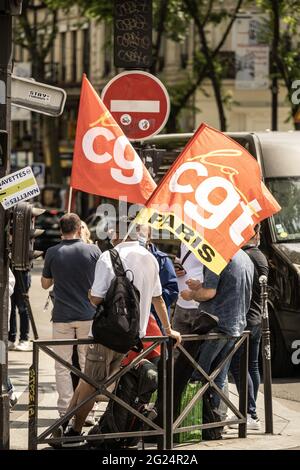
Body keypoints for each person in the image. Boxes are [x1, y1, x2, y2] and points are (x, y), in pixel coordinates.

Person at [56, 217, 181, 446]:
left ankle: (73, 432)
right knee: (96, 382)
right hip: (136, 339)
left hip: (108, 335)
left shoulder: (108, 256)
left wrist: (90, 296)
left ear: (116, 234)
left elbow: (95, 299)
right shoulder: (151, 259)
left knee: (90, 382)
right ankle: (67, 425)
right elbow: (158, 299)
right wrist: (168, 329)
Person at [178, 249, 254, 415]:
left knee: (200, 375)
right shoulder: (244, 257)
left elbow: (209, 293)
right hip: (236, 325)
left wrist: (191, 294)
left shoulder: (217, 256)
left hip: (216, 325)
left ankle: (197, 420)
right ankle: (216, 421)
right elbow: (229, 286)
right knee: (218, 376)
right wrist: (200, 286)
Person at [41, 213, 101, 417]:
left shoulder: (52, 252)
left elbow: (45, 284)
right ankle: (87, 412)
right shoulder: (93, 250)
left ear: (61, 230)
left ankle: (65, 412)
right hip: (88, 316)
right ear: (79, 228)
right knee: (87, 366)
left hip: (62, 317)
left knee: (62, 367)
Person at [229, 224, 268, 430]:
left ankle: (249, 413)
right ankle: (252, 415)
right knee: (251, 365)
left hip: (245, 318)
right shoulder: (260, 256)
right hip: (257, 318)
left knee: (239, 366)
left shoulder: (245, 257)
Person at [8, 269, 32, 351]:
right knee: (10, 307)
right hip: (9, 270)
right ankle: (11, 338)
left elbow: (33, 255)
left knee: (22, 308)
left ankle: (24, 339)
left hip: (23, 271)